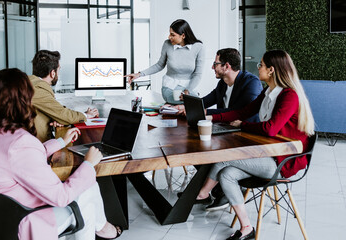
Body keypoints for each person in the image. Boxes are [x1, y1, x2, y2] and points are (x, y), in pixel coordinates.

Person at [0, 68, 122, 240]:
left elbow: (22, 161)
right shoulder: (20, 143)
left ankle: (104, 228)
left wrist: (60, 142)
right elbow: (60, 197)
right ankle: (104, 229)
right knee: (87, 191)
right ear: (24, 100)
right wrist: (89, 163)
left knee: (87, 186)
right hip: (25, 221)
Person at [197, 50, 315, 240]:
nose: (257, 68)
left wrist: (243, 125)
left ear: (271, 70)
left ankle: (202, 194)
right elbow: (242, 112)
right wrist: (208, 116)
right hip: (267, 152)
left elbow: (269, 128)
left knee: (225, 157)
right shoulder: (268, 91)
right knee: (226, 174)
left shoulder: (289, 96)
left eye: (261, 65)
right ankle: (246, 228)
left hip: (282, 160)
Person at [175, 48, 262, 211]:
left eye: (215, 64)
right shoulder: (223, 83)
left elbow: (238, 111)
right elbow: (206, 101)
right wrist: (187, 106)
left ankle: (220, 192)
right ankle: (213, 190)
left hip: (246, 135)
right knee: (194, 144)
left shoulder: (251, 83)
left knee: (205, 147)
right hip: (227, 131)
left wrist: (206, 113)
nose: (212, 67)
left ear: (226, 66)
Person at [126, 19, 205, 104]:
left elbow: (198, 74)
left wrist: (187, 91)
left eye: (172, 35)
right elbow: (159, 65)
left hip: (188, 88)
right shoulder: (167, 44)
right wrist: (139, 74)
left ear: (183, 35)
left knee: (197, 104)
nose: (169, 37)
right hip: (169, 87)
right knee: (184, 102)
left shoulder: (198, 47)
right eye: (169, 34)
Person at [30, 50, 99, 142]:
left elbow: (55, 110)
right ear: (52, 73)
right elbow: (63, 114)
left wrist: (57, 118)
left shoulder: (31, 83)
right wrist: (86, 115)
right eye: (59, 69)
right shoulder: (38, 88)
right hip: (36, 146)